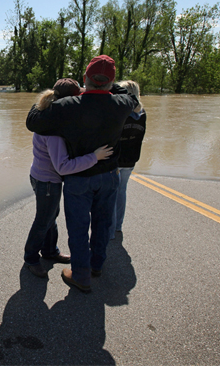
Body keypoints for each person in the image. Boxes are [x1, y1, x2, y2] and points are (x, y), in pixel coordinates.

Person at [26, 55, 140, 292]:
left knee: (78, 227)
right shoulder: (122, 104)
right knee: (102, 222)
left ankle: (81, 275)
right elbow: (131, 95)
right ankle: (96, 265)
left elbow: (33, 121)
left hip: (78, 179)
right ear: (111, 82)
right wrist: (108, 85)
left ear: (85, 78)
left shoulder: (66, 107)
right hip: (109, 176)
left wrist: (78, 90)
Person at [25, 78, 113, 278]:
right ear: (69, 102)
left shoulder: (47, 115)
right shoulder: (54, 131)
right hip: (47, 182)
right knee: (43, 220)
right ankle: (31, 258)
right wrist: (95, 157)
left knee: (50, 217)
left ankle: (49, 252)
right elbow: (63, 167)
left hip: (40, 176)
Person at [110, 80, 146, 240]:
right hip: (131, 159)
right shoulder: (142, 114)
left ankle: (109, 230)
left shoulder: (120, 112)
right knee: (122, 191)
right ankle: (118, 226)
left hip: (116, 159)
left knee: (111, 193)